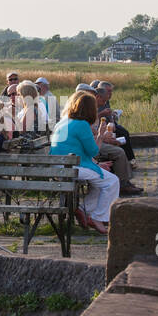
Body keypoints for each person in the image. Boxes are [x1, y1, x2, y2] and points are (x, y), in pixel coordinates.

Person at [51, 90, 118, 234]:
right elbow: (93, 151)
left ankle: (83, 208)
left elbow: (80, 150)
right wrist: (100, 135)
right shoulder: (82, 124)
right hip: (72, 167)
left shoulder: (63, 122)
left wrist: (96, 166)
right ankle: (98, 217)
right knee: (112, 181)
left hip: (57, 166)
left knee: (100, 183)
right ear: (90, 109)